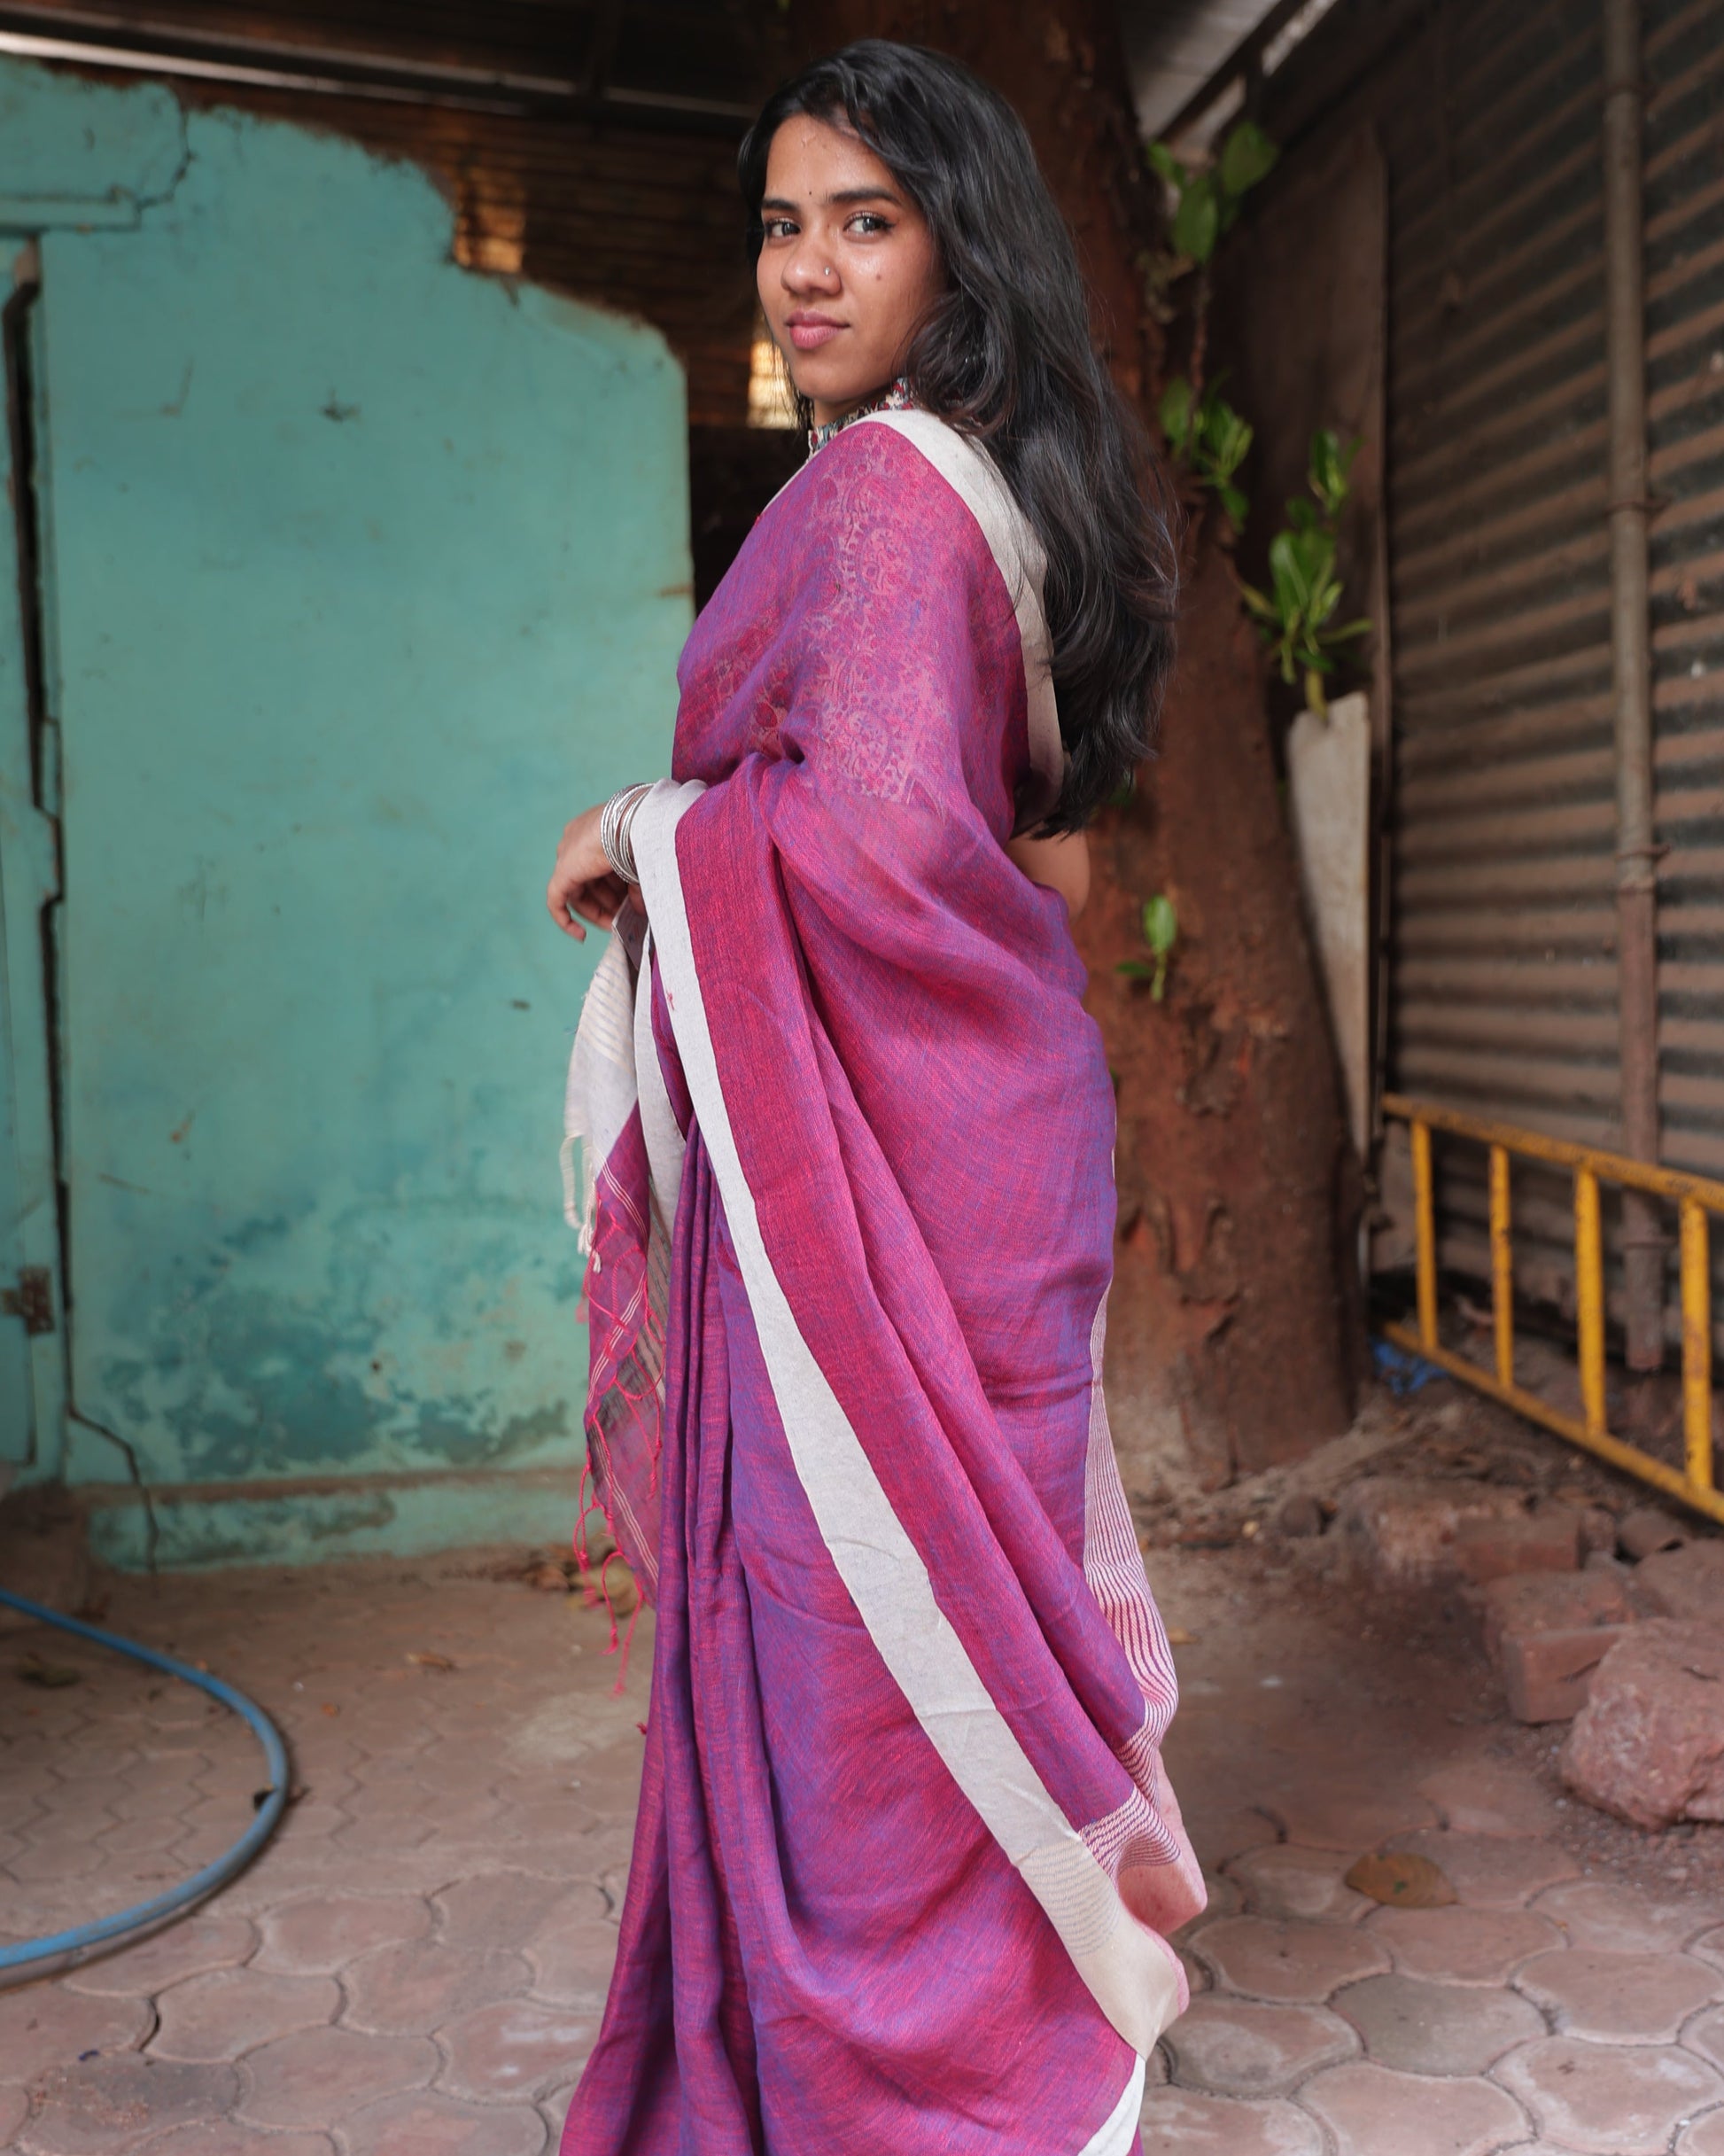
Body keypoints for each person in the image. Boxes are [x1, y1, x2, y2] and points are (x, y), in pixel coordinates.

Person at [546, 40, 1202, 2156]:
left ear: (957, 249)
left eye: (866, 221)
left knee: (847, 1654)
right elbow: (1037, 864)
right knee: (932, 1637)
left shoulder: (893, 493)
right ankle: (995, 2026)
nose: (806, 270)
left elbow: (883, 846)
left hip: (894, 1174)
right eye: (781, 224)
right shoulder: (1002, 487)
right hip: (979, 1148)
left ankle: (888, 2086)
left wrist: (647, 831)